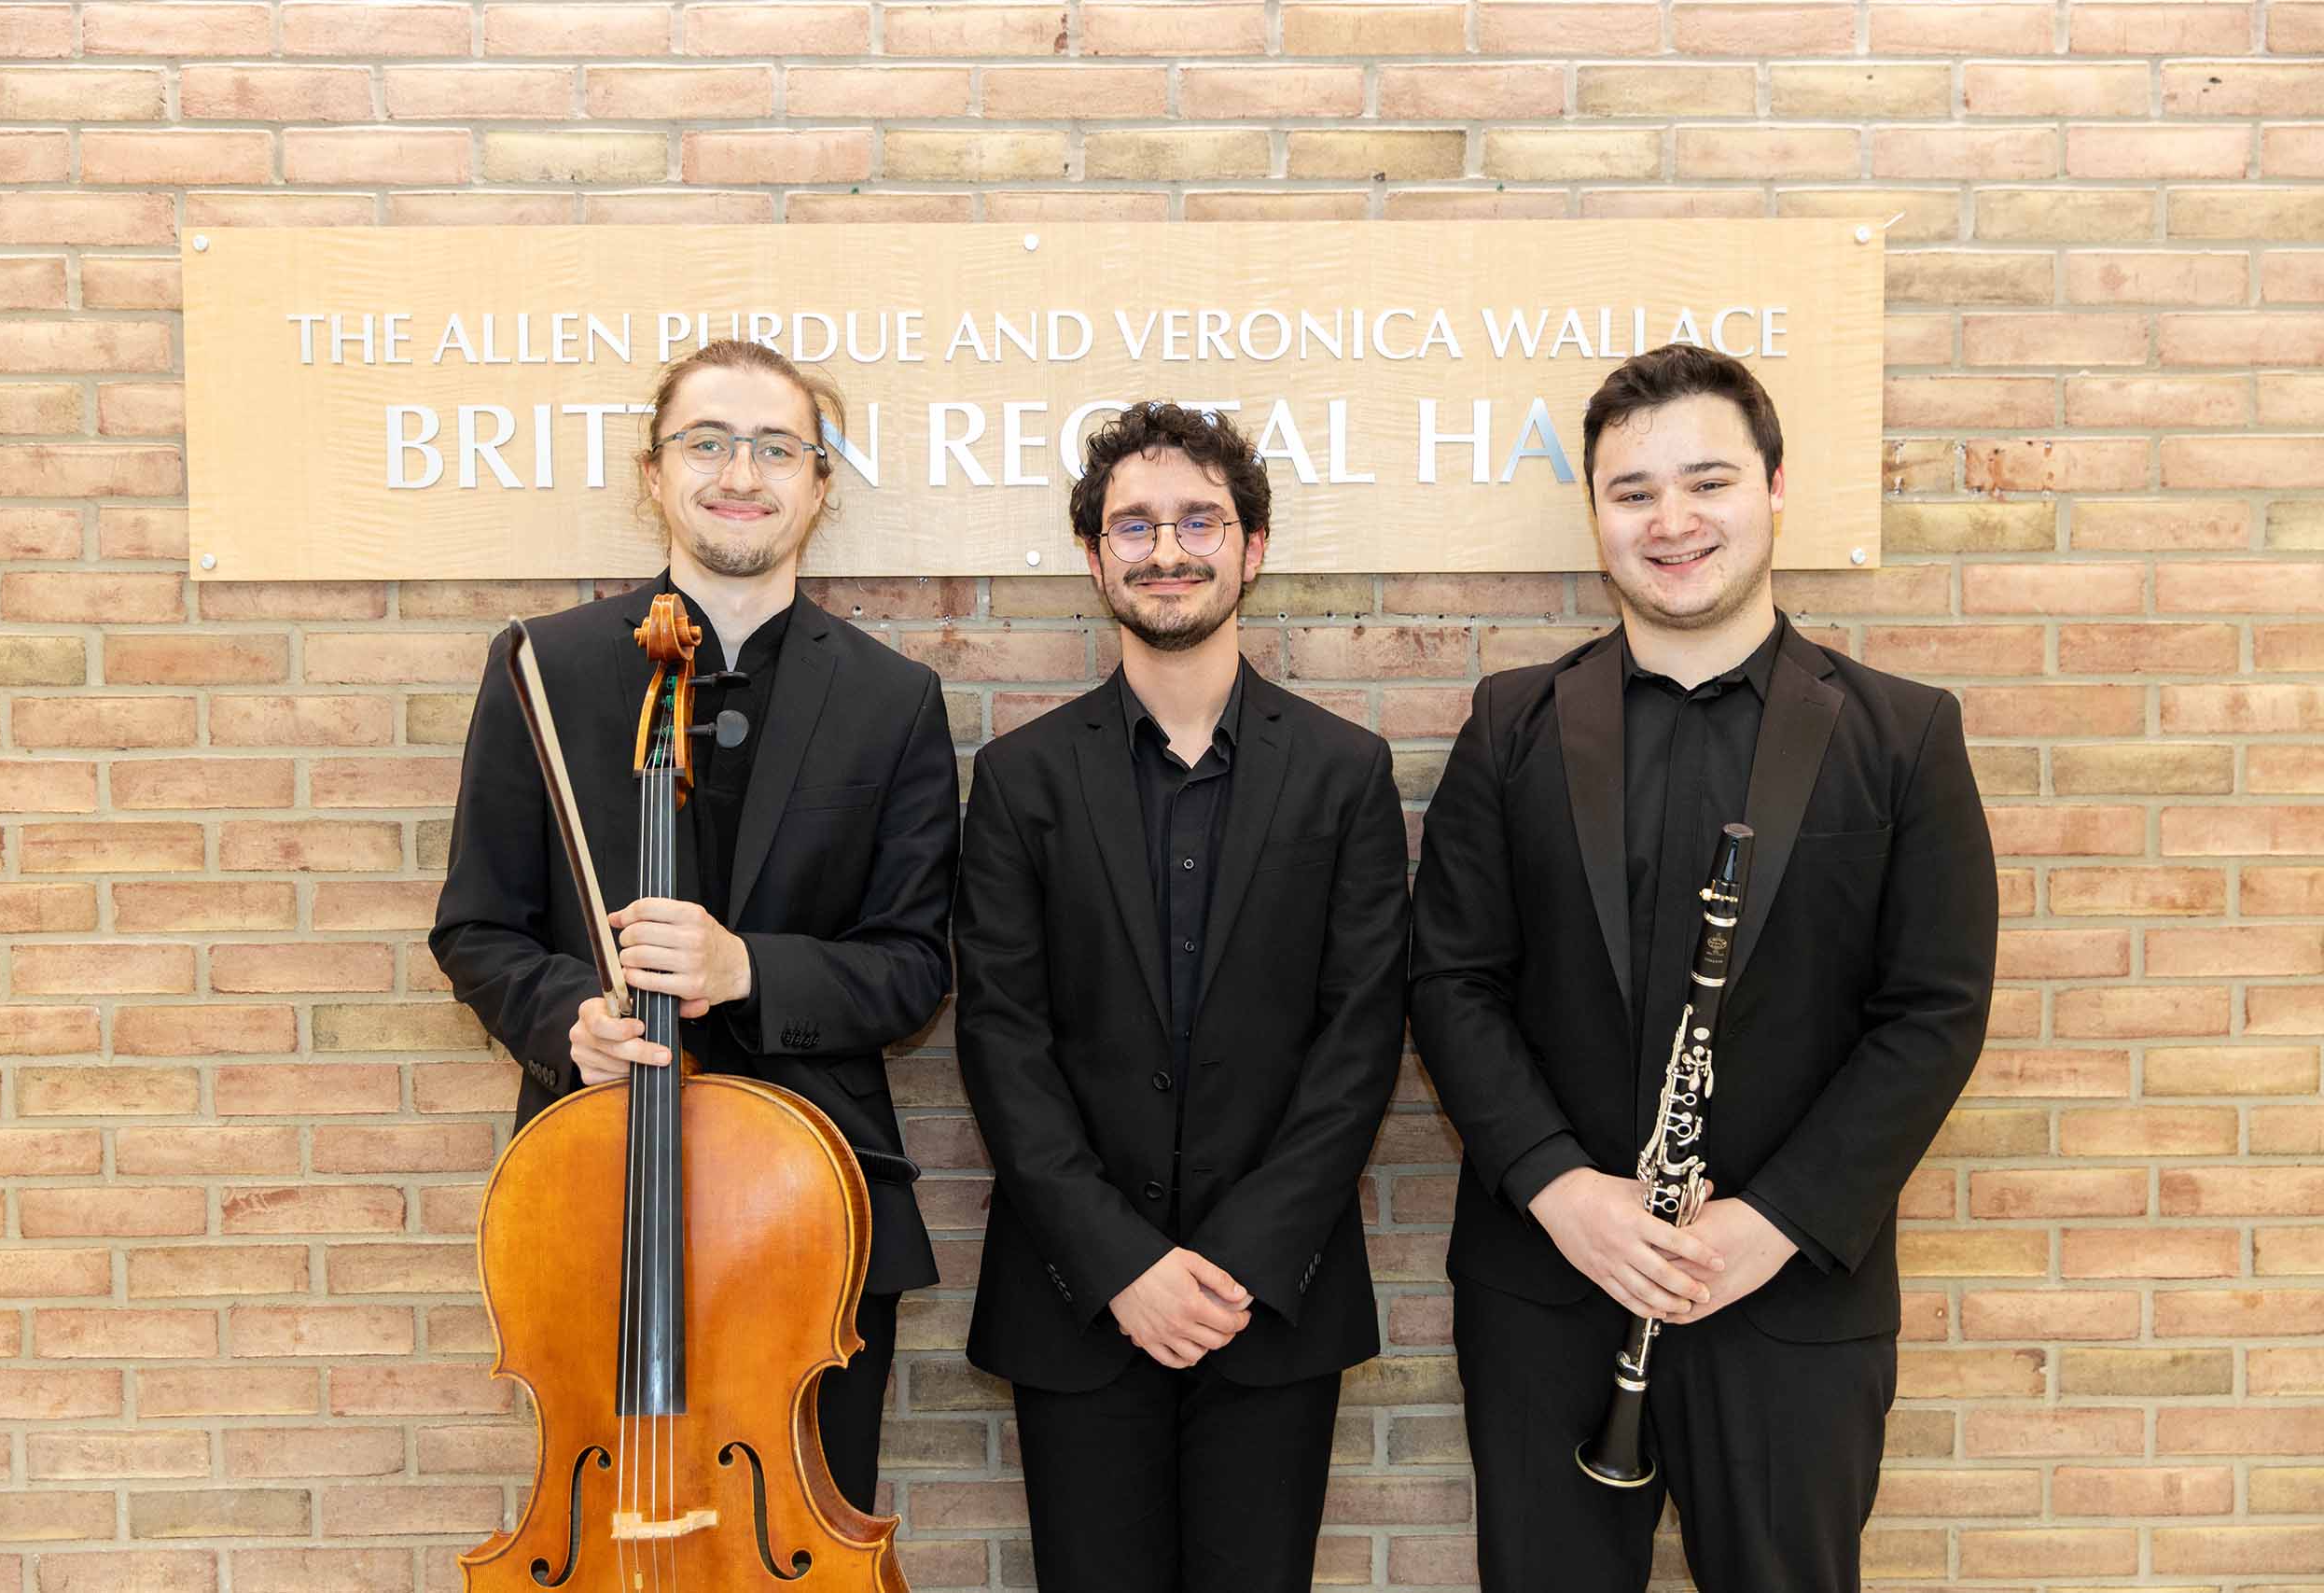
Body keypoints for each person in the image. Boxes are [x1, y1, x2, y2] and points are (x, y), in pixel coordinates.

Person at [1409, 343, 1997, 1591]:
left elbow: (1933, 1012)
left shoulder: (1902, 732)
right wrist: (1563, 1191)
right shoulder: (1509, 722)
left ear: (1776, 488)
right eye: (1632, 492)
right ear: (1597, 515)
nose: (1671, 520)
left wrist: (1773, 1219)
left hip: (1787, 1297)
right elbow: (1451, 979)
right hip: (1550, 1288)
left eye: (1707, 481)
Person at [430, 339, 958, 1513]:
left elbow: (917, 963)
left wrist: (746, 969)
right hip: (599, 1187)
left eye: (778, 447)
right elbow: (477, 926)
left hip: (810, 1215)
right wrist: (568, 1020)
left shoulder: (891, 699)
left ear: (819, 485)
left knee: (807, 1529)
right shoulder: (541, 669)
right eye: (708, 442)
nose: (742, 472)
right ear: (654, 474)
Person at [953, 403, 1409, 1592]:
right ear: (1095, 555)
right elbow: (1004, 1041)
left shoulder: (1345, 774)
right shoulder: (1018, 780)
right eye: (1135, 525)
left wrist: (1239, 1263)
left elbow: (1359, 1038)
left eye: (1200, 520)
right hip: (1079, 1307)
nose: (1168, 549)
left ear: (1253, 548)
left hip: (1276, 1306)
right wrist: (1122, 1266)